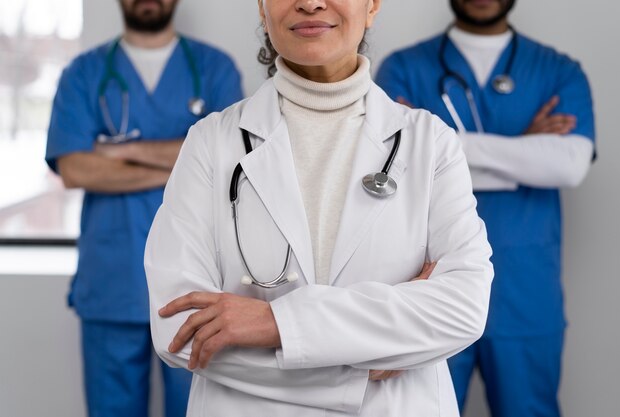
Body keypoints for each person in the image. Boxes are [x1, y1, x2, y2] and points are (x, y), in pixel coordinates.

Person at [144, 0, 493, 416]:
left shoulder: (429, 142)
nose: (310, 3)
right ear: (261, 6)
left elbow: (462, 308)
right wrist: (366, 360)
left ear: (372, 5)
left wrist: (276, 324)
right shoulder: (210, 143)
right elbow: (177, 332)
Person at [376, 1, 595, 416]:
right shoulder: (402, 67)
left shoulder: (558, 69)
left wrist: (437, 147)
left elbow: (567, 165)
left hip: (525, 293)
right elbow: (391, 165)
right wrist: (522, 149)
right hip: (424, 288)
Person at [45, 0, 243, 416]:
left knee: (199, 409)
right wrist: (190, 160)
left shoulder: (214, 67)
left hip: (199, 285)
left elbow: (233, 160)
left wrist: (122, 151)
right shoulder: (83, 72)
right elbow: (75, 168)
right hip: (112, 283)